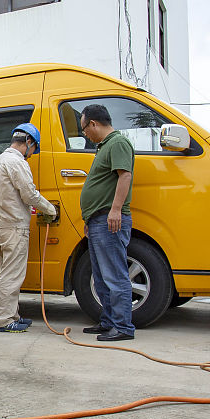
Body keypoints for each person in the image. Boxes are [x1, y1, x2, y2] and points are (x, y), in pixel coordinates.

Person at [0, 122, 58, 333]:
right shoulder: (16, 163)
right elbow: (29, 194)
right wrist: (50, 209)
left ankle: (12, 315)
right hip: (14, 227)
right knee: (12, 275)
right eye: (34, 149)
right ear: (28, 142)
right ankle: (3, 320)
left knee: (5, 272)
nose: (32, 154)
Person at [78, 104, 136, 342]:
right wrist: (90, 218)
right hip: (98, 220)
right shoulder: (104, 147)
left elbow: (125, 175)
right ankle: (108, 322)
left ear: (93, 123)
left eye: (84, 129)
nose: (85, 135)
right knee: (101, 276)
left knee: (114, 275)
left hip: (109, 220)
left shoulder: (117, 143)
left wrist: (115, 210)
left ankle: (123, 327)